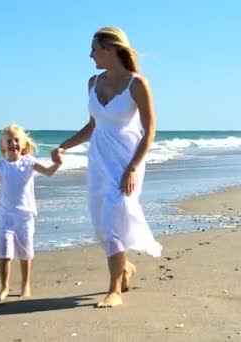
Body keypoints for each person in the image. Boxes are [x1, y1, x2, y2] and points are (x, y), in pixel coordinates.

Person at [51, 27, 162, 308]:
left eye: (94, 49)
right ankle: (124, 268)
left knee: (115, 212)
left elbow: (149, 131)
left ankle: (114, 290)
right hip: (99, 158)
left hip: (127, 159)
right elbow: (92, 126)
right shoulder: (93, 82)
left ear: (109, 50)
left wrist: (133, 168)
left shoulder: (137, 84)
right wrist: (64, 146)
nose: (91, 55)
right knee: (101, 221)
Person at [0, 124, 61, 302]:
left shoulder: (29, 162)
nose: (13, 144)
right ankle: (4, 287)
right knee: (5, 253)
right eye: (9, 141)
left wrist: (57, 163)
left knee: (25, 254)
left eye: (16, 140)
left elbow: (49, 172)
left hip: (25, 217)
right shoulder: (0, 166)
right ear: (3, 146)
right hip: (5, 216)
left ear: (24, 144)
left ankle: (25, 284)